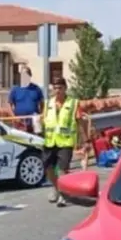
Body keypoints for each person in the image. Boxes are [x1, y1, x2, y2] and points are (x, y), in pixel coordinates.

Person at [42, 78, 89, 207]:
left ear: (65, 88)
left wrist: (85, 140)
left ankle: (63, 195)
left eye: (60, 88)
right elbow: (44, 121)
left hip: (66, 142)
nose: (57, 91)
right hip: (50, 141)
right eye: (55, 88)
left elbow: (80, 122)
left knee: (62, 169)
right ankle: (56, 188)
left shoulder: (73, 103)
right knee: (48, 168)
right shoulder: (48, 103)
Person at [8, 67, 44, 133]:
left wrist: (40, 115)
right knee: (20, 140)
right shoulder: (15, 89)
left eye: (27, 74)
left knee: (37, 140)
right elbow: (10, 105)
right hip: (19, 122)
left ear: (30, 75)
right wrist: (14, 117)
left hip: (35, 122)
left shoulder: (36, 88)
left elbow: (42, 103)